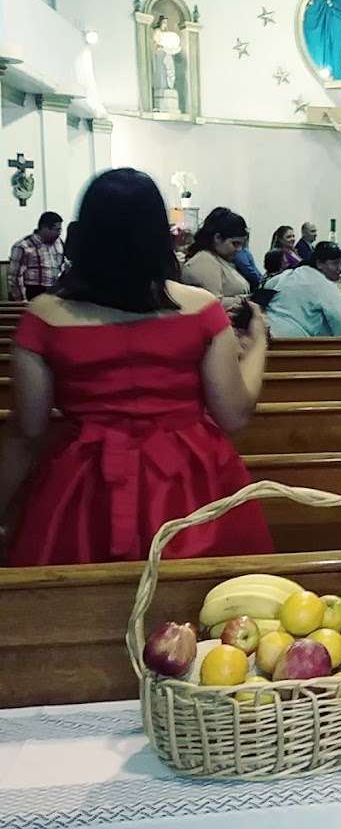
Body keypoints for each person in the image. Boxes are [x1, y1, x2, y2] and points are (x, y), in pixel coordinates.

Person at [0, 168, 272, 566]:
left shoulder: (43, 317)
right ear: (159, 236)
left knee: (78, 607)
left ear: (84, 234)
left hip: (86, 484)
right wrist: (258, 341)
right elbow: (233, 413)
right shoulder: (200, 309)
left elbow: (27, 431)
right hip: (189, 479)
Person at [262, 241, 341, 339]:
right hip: (293, 342)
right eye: (335, 263)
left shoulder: (288, 274)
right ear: (319, 263)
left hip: (265, 336)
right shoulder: (325, 285)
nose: (340, 268)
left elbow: (263, 294)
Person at [181, 208, 252, 310]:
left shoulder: (220, 260)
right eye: (235, 244)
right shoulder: (203, 261)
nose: (239, 249)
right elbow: (212, 303)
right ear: (217, 238)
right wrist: (244, 300)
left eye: (242, 244)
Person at [8, 211, 65, 301]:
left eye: (60, 230)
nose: (59, 233)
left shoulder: (59, 243)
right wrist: (22, 300)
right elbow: (15, 276)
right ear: (44, 228)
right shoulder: (23, 246)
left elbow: (61, 265)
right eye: (56, 230)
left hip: (54, 291)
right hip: (34, 291)